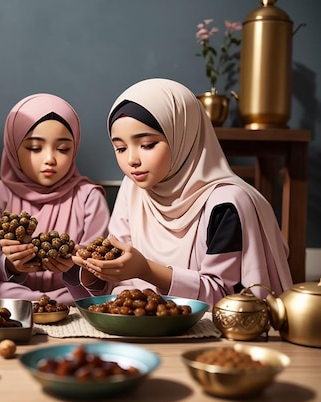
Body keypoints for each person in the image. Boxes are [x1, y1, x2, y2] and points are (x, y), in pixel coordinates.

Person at [73, 78, 293, 306]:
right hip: (143, 327)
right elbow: (121, 280)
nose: (131, 160)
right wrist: (93, 270)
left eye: (147, 144)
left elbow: (227, 299)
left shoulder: (226, 203)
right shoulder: (133, 188)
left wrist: (146, 270)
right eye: (120, 148)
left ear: (184, 136)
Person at [0, 93, 111, 305]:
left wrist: (74, 264)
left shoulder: (89, 195)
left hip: (70, 292)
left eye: (63, 149)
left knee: (96, 296)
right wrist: (10, 264)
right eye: (34, 148)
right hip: (11, 291)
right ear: (14, 147)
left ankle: (45, 304)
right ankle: (47, 304)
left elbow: (100, 265)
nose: (50, 159)